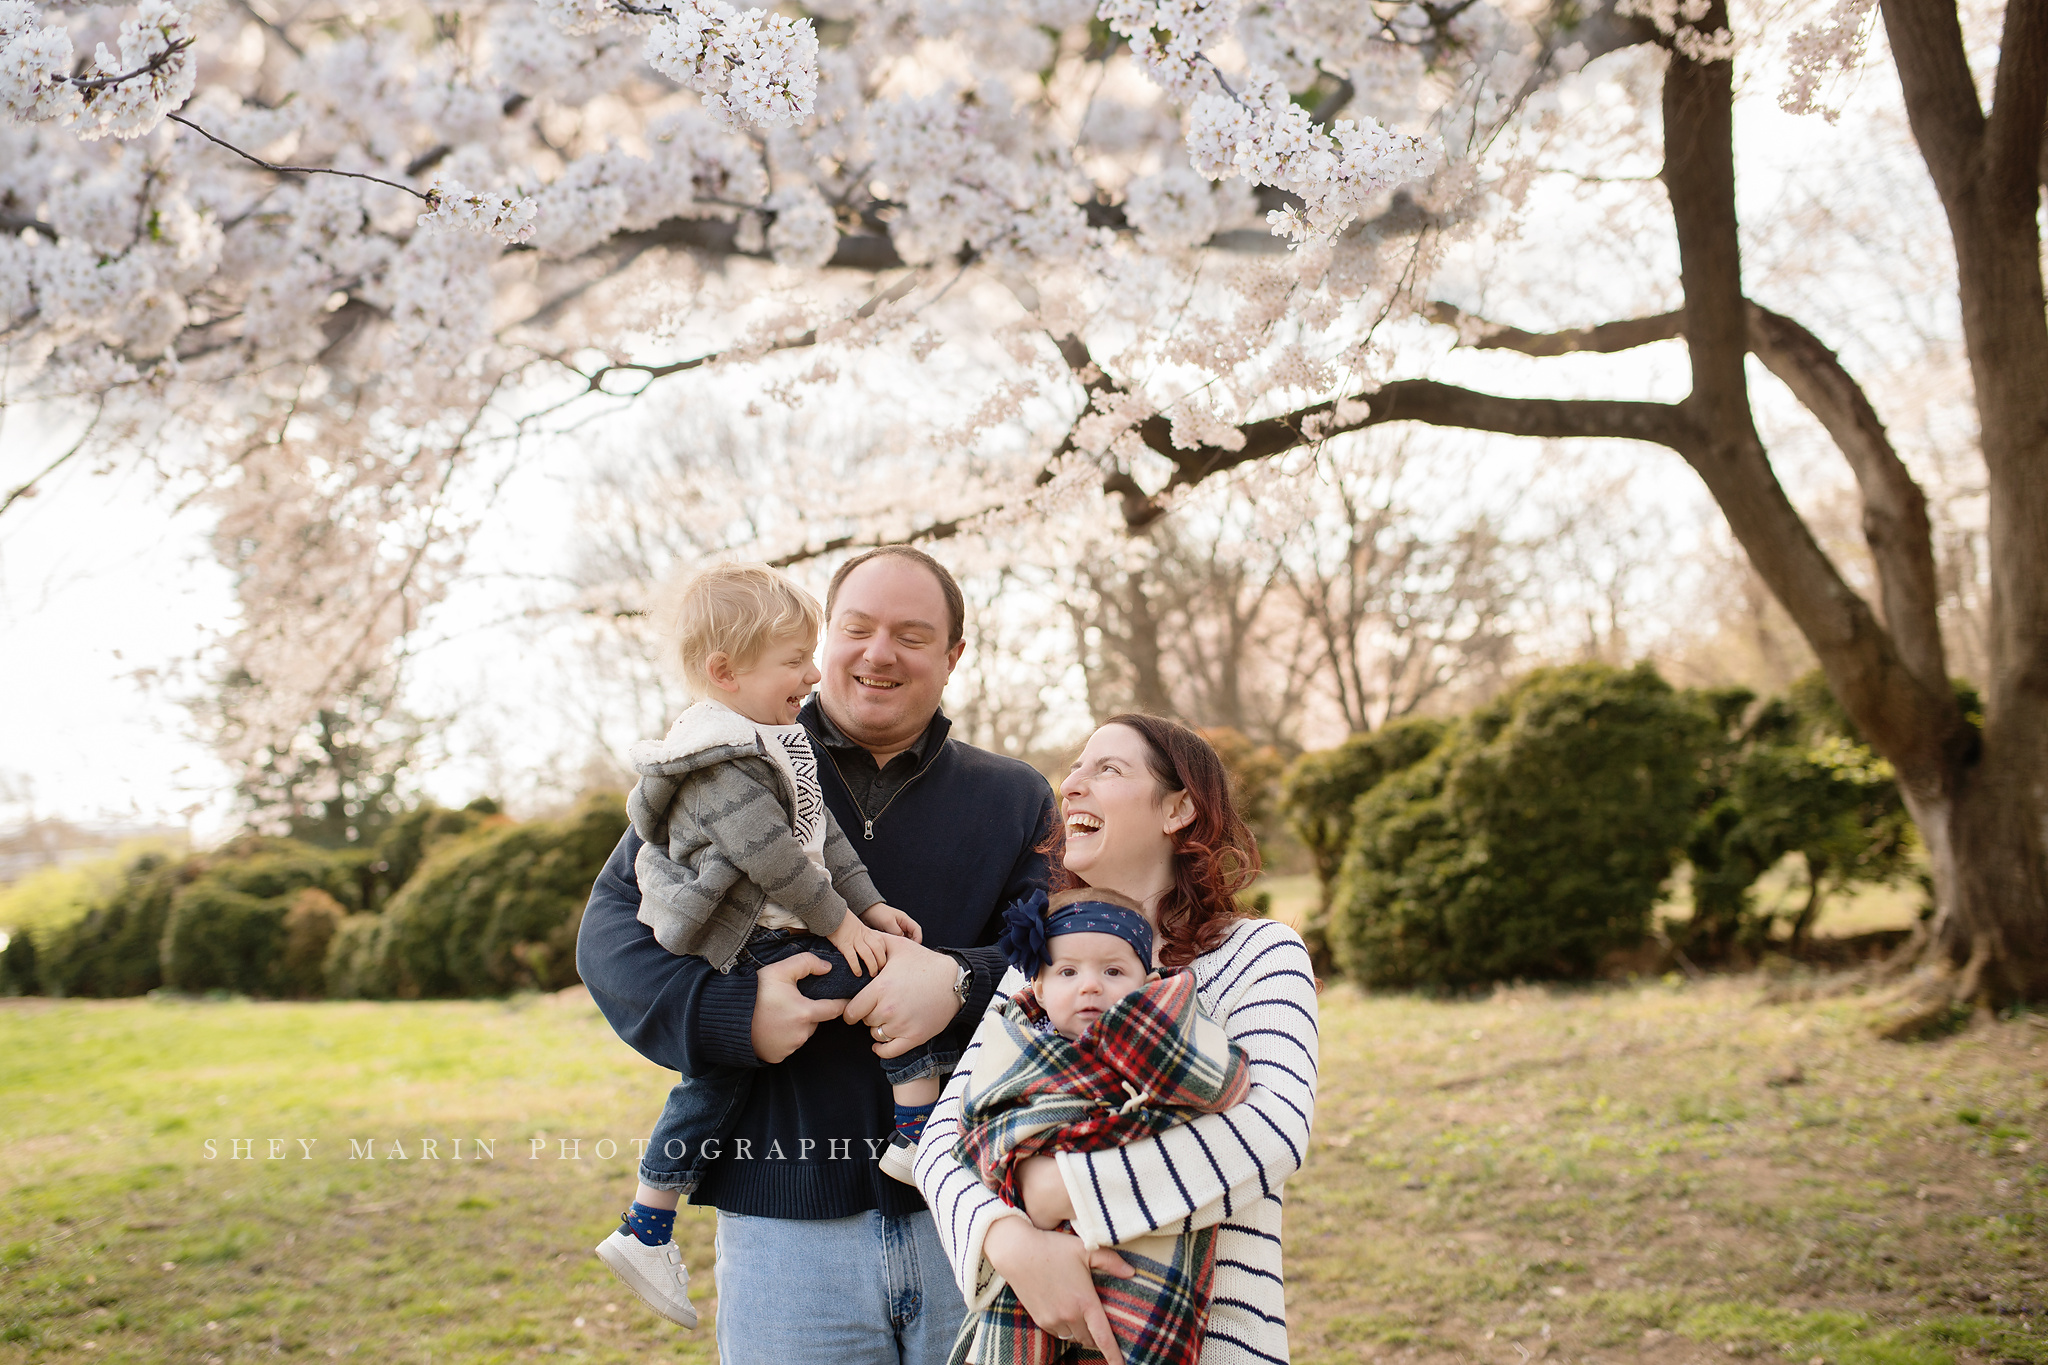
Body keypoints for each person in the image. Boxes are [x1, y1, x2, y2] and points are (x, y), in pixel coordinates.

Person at [576, 546, 1057, 1365]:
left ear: (953, 656)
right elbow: (611, 935)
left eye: (911, 634)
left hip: (971, 1212)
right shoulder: (729, 763)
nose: (879, 652)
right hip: (781, 1234)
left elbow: (1063, 951)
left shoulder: (1014, 797)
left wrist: (958, 980)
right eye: (857, 628)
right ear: (825, 639)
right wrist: (736, 1015)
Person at [916, 716, 1320, 1365]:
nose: (1072, 785)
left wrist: (1058, 1191)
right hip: (1033, 1339)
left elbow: (1271, 1130)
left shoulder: (1257, 953)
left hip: (1210, 1339)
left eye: (1107, 769)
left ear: (1177, 807)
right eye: (1074, 767)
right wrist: (1013, 1242)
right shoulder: (1044, 966)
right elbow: (943, 1144)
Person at [949, 885, 1254, 1365]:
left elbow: (1225, 1082)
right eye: (1068, 971)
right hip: (1034, 1265)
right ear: (1040, 988)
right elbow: (975, 1126)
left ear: (1148, 981)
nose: (1090, 986)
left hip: (1140, 1248)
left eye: (1113, 971)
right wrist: (1021, 1163)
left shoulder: (1170, 1032)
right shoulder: (1014, 1042)